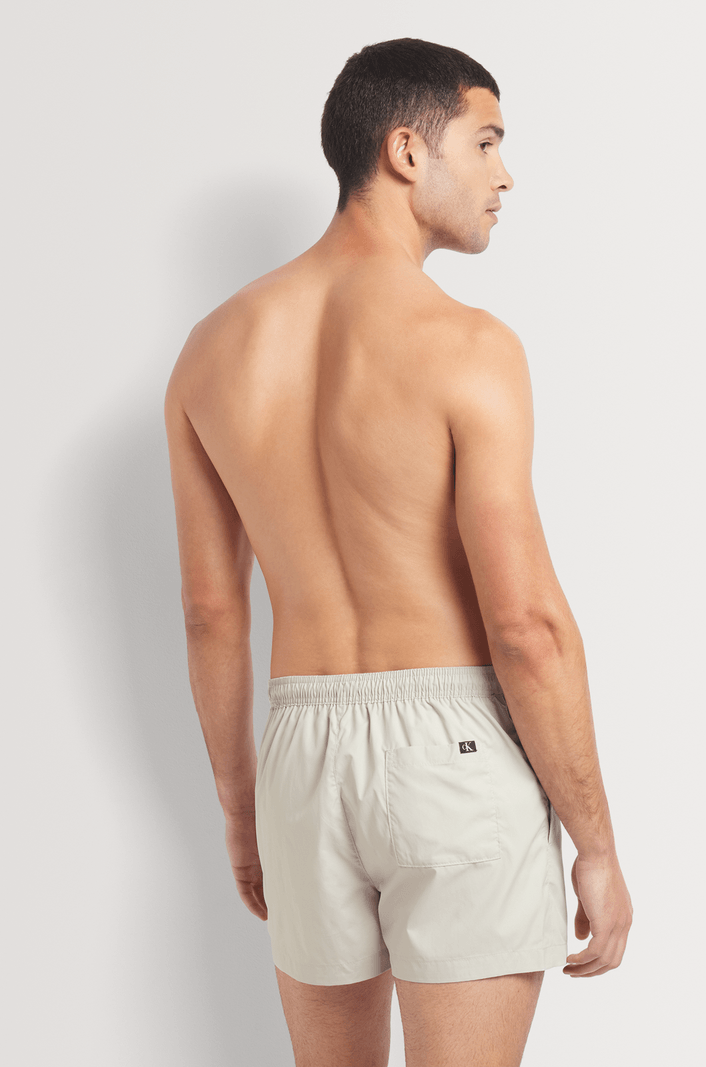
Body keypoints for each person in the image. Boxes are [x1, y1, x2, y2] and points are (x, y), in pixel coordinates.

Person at [164, 36, 632, 1067]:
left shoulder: (209, 352)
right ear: (407, 151)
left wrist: (242, 811)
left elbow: (209, 610)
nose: (505, 175)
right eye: (487, 141)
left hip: (298, 751)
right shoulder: (468, 345)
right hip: (451, 754)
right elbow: (525, 625)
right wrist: (595, 843)